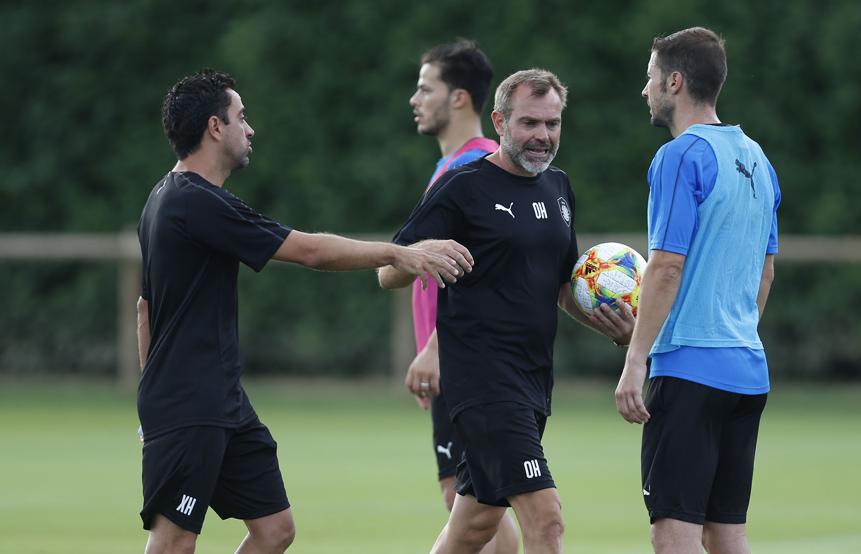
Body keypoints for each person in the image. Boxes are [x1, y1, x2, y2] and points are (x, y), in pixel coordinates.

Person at [136, 69, 471, 554]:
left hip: (222, 399)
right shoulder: (194, 202)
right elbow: (310, 251)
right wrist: (399, 253)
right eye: (240, 117)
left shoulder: (171, 197)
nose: (249, 129)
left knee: (275, 529)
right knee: (173, 542)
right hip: (188, 403)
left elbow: (143, 309)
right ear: (214, 127)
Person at [380, 69, 634, 554]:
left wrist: (615, 328)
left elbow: (563, 288)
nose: (542, 136)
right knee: (546, 517)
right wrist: (421, 255)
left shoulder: (559, 188)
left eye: (553, 124)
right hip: (482, 382)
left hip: (534, 379)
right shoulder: (463, 187)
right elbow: (388, 271)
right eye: (529, 123)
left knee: (472, 527)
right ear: (499, 120)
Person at [614, 27, 780, 554]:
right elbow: (765, 272)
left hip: (688, 373)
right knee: (727, 534)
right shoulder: (758, 158)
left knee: (675, 535)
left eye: (650, 79)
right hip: (747, 372)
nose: (645, 90)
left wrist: (636, 358)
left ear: (675, 82)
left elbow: (665, 266)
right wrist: (735, 335)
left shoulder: (680, 156)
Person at [405, 40, 520, 554]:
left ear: (459, 99)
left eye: (426, 88)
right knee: (475, 506)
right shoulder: (453, 166)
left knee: (472, 506)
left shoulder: (472, 169)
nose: (416, 98)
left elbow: (479, 276)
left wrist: (434, 347)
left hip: (461, 361)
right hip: (457, 361)